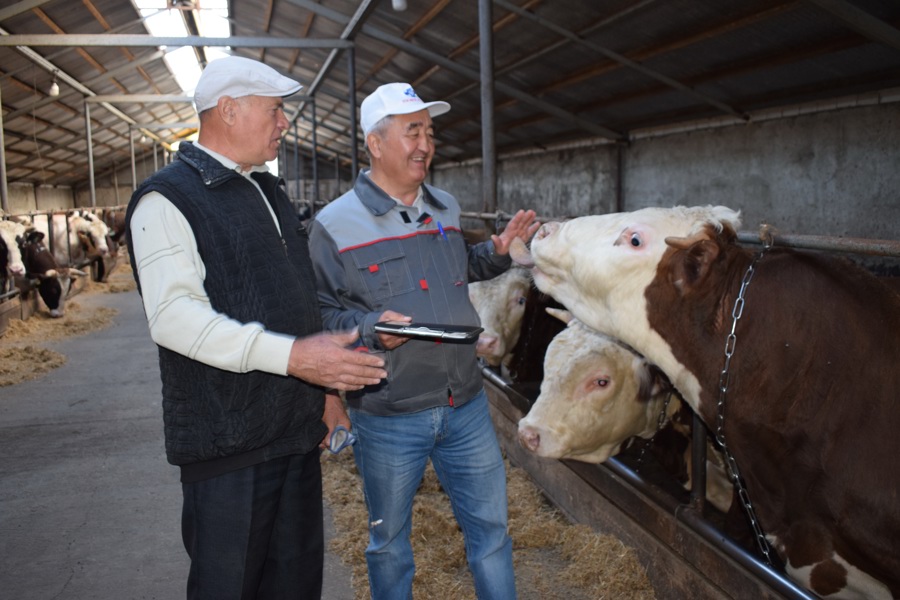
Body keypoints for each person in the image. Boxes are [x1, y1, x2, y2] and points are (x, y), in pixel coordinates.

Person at [125, 56, 387, 600]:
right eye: (275, 110)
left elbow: (296, 302)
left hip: (292, 435)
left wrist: (327, 394)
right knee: (231, 586)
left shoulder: (265, 190)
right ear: (227, 110)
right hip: (228, 445)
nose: (284, 123)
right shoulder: (166, 198)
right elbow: (174, 318)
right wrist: (295, 358)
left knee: (294, 584)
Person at [307, 82, 541, 600]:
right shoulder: (334, 225)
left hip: (466, 403)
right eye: (412, 131)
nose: (425, 144)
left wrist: (498, 253)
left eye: (429, 132)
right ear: (375, 142)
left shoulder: (446, 207)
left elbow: (458, 267)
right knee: (389, 544)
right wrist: (370, 330)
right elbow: (321, 312)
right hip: (389, 411)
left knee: (493, 534)